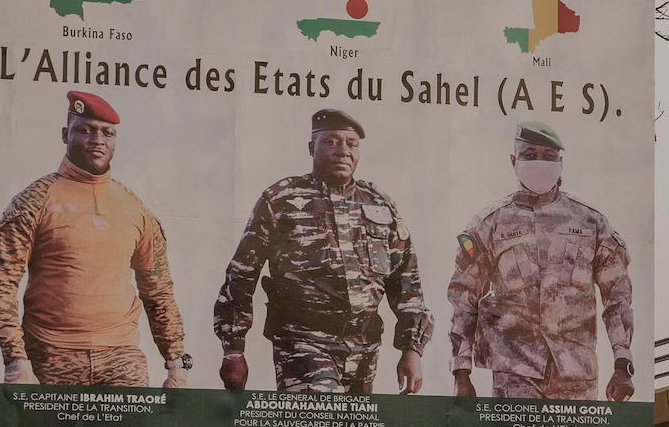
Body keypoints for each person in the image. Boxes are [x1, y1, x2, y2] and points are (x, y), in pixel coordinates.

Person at [215, 108, 432, 393]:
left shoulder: (380, 205)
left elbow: (406, 280)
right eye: (331, 141)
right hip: (302, 344)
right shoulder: (280, 201)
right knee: (320, 415)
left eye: (352, 144)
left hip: (364, 351)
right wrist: (233, 349)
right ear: (311, 148)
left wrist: (411, 349)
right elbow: (242, 275)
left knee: (356, 424)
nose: (343, 151)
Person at [0, 92, 186, 389]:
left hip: (121, 358)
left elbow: (158, 292)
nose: (97, 140)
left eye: (107, 133)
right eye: (85, 130)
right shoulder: (34, 201)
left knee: (130, 424)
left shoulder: (134, 208)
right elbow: (0, 284)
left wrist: (176, 363)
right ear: (66, 134)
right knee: (46, 425)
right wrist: (15, 359)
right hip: (49, 356)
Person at [448, 122, 635, 401]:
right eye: (530, 155)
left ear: (560, 163)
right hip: (514, 375)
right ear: (514, 161)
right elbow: (464, 298)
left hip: (577, 376)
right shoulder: (490, 224)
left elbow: (617, 296)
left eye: (548, 156)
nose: (540, 162)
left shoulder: (591, 223)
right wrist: (461, 373)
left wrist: (622, 363)